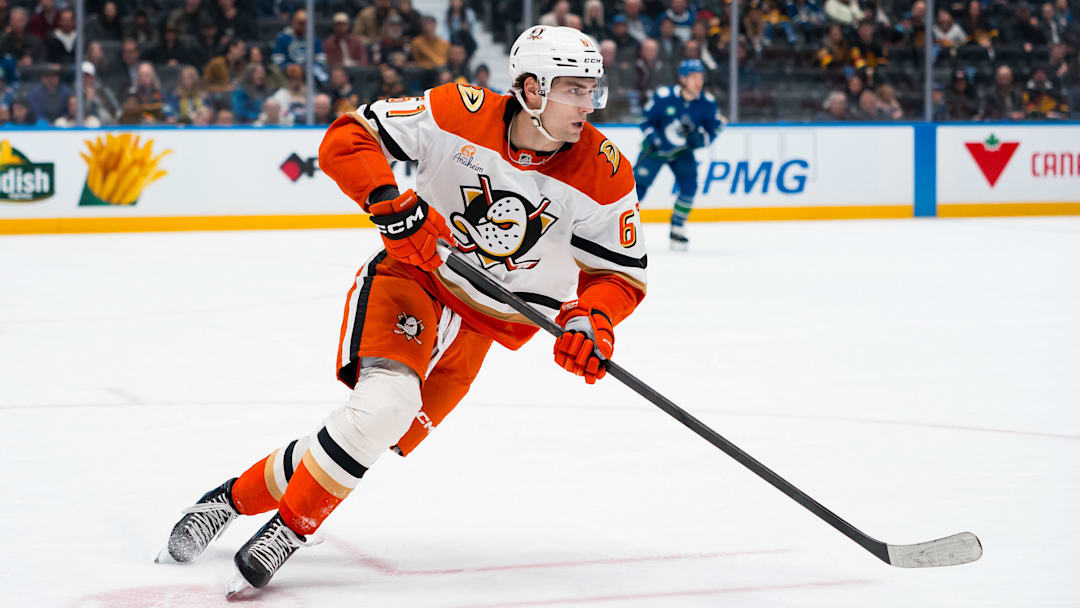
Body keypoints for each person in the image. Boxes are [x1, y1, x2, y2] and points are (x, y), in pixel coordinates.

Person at [158, 25, 647, 598]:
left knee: (369, 433)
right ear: (532, 88)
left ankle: (228, 499)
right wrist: (388, 203)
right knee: (384, 407)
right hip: (414, 279)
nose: (588, 106)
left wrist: (592, 320)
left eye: (593, 91)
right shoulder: (455, 111)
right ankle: (289, 529)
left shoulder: (605, 170)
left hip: (485, 326)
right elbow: (346, 139)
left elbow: (618, 275)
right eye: (574, 89)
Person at [634, 59, 723, 251]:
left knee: (689, 186)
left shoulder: (707, 102)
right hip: (655, 151)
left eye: (701, 77)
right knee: (636, 189)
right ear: (683, 79)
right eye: (693, 77)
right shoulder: (664, 96)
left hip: (682, 151)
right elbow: (644, 119)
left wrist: (701, 140)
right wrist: (653, 137)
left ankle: (678, 227)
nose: (698, 82)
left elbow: (714, 128)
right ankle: (621, 225)